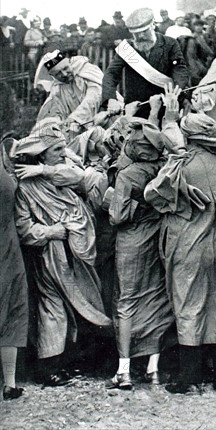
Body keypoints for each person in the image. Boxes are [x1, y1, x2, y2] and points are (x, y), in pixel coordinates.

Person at [145, 91, 216, 394]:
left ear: (190, 138)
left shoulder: (181, 166)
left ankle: (190, 377)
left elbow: (152, 195)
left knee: (189, 307)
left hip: (189, 248)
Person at [13, 121, 111, 386]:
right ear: (41, 154)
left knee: (79, 307)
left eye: (63, 147)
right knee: (52, 308)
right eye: (56, 149)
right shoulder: (26, 188)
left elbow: (85, 178)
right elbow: (24, 228)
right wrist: (51, 231)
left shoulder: (61, 173)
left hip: (77, 255)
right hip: (51, 257)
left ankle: (66, 363)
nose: (63, 152)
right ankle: (48, 368)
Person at [105, 116, 175, 390]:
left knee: (127, 303)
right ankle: (153, 369)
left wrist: (118, 203)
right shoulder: (165, 168)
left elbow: (117, 216)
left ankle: (123, 371)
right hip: (157, 238)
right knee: (156, 299)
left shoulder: (128, 174)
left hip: (132, 242)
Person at [101, 8, 189, 119]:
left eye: (144, 31)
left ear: (153, 25)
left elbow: (179, 69)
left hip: (165, 106)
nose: (141, 36)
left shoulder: (170, 43)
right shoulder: (126, 48)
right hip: (136, 108)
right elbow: (111, 74)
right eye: (136, 34)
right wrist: (111, 99)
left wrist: (175, 91)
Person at [0, 84, 29, 400]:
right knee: (11, 310)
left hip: (7, 241)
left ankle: (9, 382)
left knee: (11, 309)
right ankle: (9, 383)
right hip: (7, 243)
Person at [36, 50, 103, 140]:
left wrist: (74, 118)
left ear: (69, 61)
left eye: (65, 68)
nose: (64, 74)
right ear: (53, 76)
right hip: (85, 129)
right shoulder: (57, 89)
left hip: (106, 118)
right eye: (58, 74)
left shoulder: (87, 70)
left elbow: (94, 96)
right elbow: (51, 110)